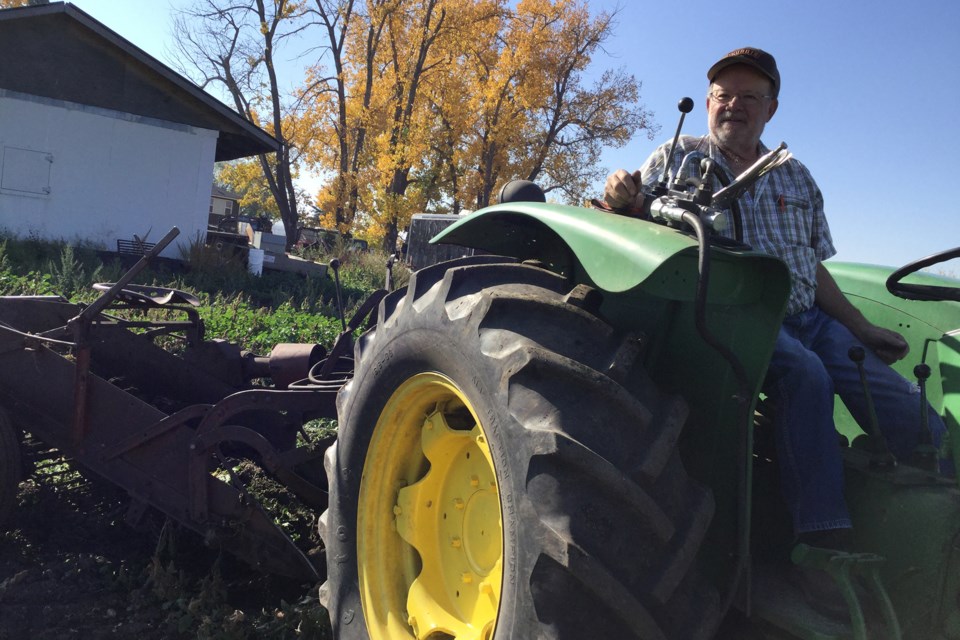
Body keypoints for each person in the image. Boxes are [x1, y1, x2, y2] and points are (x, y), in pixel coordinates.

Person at [604, 47, 947, 550]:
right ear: (706, 103)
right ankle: (823, 541)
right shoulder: (676, 158)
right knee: (806, 377)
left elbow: (813, 266)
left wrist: (860, 327)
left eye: (749, 96)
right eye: (723, 95)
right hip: (733, 317)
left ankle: (938, 500)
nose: (733, 105)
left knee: (900, 404)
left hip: (808, 316)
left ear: (772, 108)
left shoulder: (796, 174)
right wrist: (619, 196)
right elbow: (628, 216)